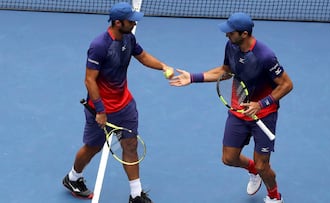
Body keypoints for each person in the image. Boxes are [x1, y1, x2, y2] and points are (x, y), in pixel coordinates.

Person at [169, 12, 293, 203]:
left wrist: (260, 104)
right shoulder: (231, 46)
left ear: (244, 34)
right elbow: (225, 71)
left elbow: (286, 84)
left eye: (231, 32)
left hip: (263, 114)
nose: (227, 35)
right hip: (239, 109)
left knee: (263, 166)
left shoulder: (265, 56)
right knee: (229, 158)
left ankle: (275, 197)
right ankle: (253, 171)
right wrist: (193, 77)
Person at [62, 2, 174, 203]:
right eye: (130, 21)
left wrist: (163, 66)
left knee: (130, 146)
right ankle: (73, 178)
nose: (134, 23)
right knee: (92, 148)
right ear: (117, 22)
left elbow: (143, 56)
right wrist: (101, 110)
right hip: (100, 109)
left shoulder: (129, 37)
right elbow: (89, 80)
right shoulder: (99, 46)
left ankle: (136, 195)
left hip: (125, 106)